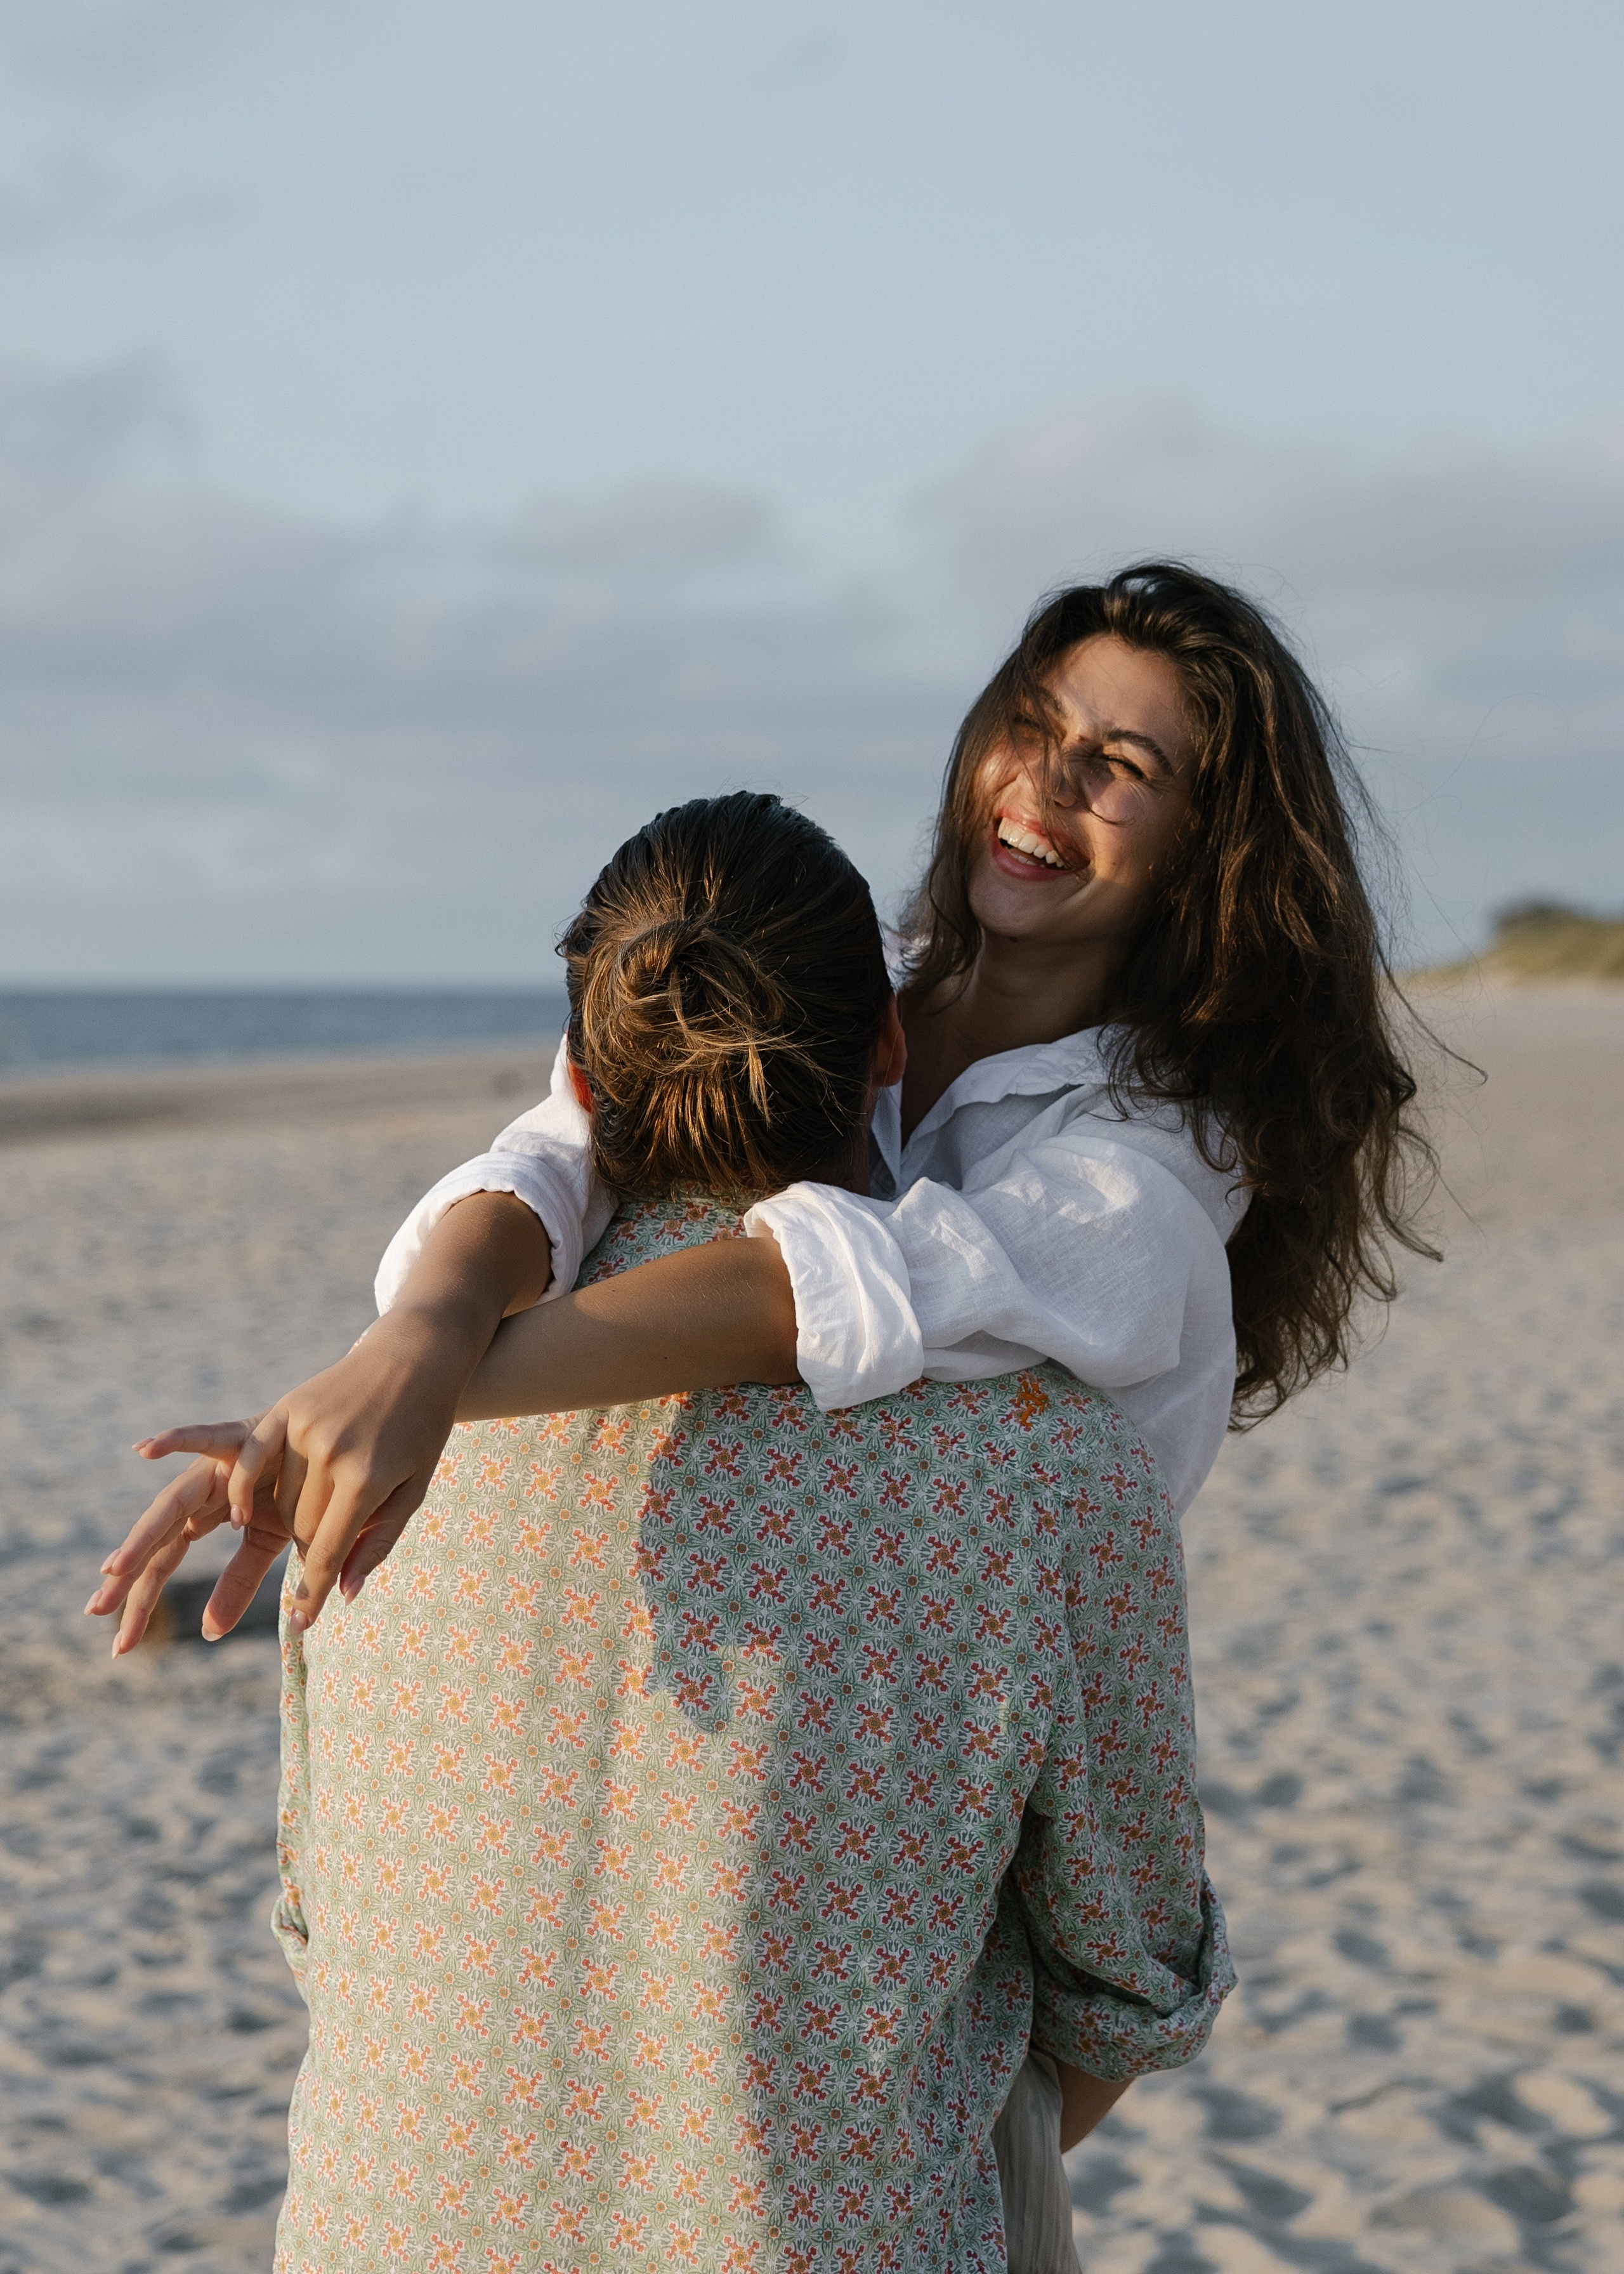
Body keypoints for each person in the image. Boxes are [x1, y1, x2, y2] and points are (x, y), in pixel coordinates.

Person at [108, 793, 1235, 2273]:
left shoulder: (369, 1443)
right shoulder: (1047, 1466)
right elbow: (1130, 1988)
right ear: (886, 1049)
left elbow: (321, 1922)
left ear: (578, 1079)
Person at [95, 561, 1432, 1649]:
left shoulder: (1169, 1146)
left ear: (1209, 846)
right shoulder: (852, 978)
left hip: (961, 1701)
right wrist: (417, 1335)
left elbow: (848, 1284)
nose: (1045, 780)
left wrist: (422, 1388)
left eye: (1120, 763)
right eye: (1030, 725)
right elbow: (569, 1139)